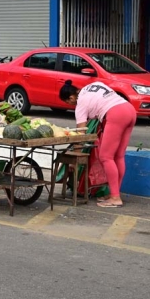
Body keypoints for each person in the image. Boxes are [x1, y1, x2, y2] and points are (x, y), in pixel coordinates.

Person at [59, 80, 137, 208]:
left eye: (68, 102)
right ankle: (115, 193)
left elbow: (81, 133)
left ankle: (115, 198)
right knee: (118, 156)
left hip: (116, 114)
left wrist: (75, 157)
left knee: (105, 157)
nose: (70, 104)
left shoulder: (81, 104)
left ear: (72, 97)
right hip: (129, 109)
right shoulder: (92, 86)